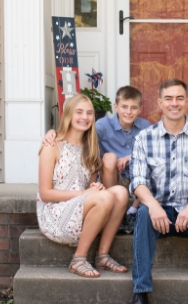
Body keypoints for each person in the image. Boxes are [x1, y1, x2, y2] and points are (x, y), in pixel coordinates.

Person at [129, 79, 188, 304]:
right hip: (157, 215)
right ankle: (140, 291)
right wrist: (153, 206)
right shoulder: (144, 138)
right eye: (169, 98)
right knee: (142, 213)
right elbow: (138, 181)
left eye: (180, 98)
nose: (174, 103)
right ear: (160, 103)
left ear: (187, 102)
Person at [37, 94, 129, 278]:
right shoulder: (52, 146)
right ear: (69, 114)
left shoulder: (91, 149)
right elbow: (45, 194)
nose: (85, 117)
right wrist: (86, 193)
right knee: (103, 196)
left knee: (120, 192)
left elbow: (90, 188)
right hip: (56, 215)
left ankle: (102, 255)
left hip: (80, 212)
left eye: (89, 113)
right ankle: (79, 258)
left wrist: (95, 190)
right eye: (79, 112)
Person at [43, 86, 150, 234]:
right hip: (113, 178)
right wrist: (54, 132)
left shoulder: (145, 126)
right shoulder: (103, 125)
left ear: (139, 109)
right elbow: (82, 135)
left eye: (133, 108)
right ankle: (113, 212)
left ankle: (132, 211)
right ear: (115, 107)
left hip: (138, 179)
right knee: (110, 158)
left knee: (153, 166)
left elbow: (154, 150)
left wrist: (130, 157)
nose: (128, 112)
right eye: (124, 107)